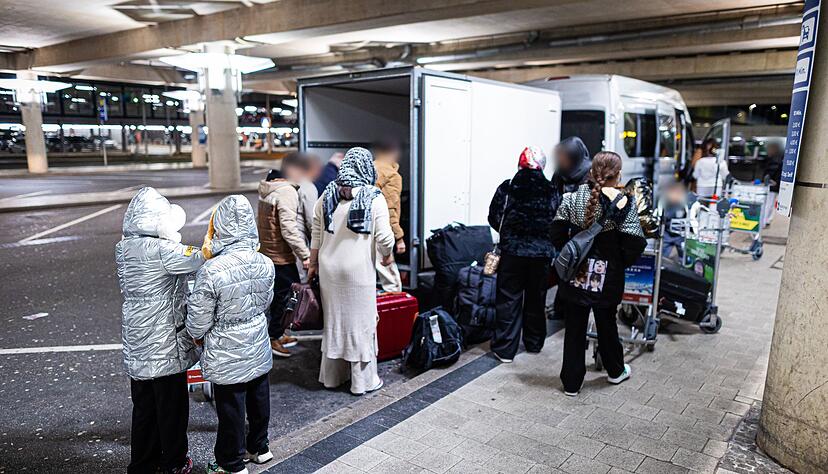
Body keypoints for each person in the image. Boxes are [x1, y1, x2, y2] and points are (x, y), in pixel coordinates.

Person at [115, 187, 205, 474]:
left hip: (138, 341)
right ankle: (175, 462)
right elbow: (198, 257)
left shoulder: (124, 248)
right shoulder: (162, 250)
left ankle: (142, 464)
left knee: (144, 408)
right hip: (165, 343)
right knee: (171, 409)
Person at [187, 195, 276, 474]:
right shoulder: (264, 262)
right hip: (257, 338)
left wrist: (196, 334)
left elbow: (199, 317)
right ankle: (259, 447)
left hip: (226, 346)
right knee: (258, 395)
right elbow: (267, 301)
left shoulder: (212, 270)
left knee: (231, 406)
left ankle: (230, 463)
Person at [551, 151, 646, 396]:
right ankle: (615, 371)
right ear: (618, 175)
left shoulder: (572, 198)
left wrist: (572, 251)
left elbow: (556, 232)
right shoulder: (624, 203)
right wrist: (618, 262)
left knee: (574, 327)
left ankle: (571, 383)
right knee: (607, 325)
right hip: (608, 278)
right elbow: (635, 242)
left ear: (592, 172)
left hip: (576, 274)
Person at [308, 147, 395, 395]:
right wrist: (387, 255)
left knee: (335, 322)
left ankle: (333, 377)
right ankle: (363, 382)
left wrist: (313, 264)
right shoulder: (372, 197)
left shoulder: (327, 195)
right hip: (357, 273)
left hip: (329, 270)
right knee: (360, 324)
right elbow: (385, 237)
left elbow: (316, 233)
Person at [487, 146, 557, 363]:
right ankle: (534, 343)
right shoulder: (551, 189)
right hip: (541, 254)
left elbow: (494, 217)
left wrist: (510, 233)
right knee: (537, 298)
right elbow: (557, 221)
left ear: (520, 164)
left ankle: (505, 350)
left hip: (513, 252)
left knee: (508, 299)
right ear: (542, 166)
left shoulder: (508, 187)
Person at [257, 154, 312, 358]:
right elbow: (289, 229)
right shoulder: (286, 191)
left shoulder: (267, 188)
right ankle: (274, 337)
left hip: (268, 253)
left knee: (277, 297)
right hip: (280, 256)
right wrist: (305, 255)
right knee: (287, 297)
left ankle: (278, 334)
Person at [548, 137, 592, 319]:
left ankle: (570, 310)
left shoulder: (589, 173)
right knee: (564, 267)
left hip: (581, 230)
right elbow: (553, 195)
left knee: (577, 270)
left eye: (566, 157)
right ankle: (561, 308)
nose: (562, 161)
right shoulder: (560, 173)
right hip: (561, 228)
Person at [373, 139, 405, 292]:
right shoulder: (391, 175)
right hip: (379, 229)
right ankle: (397, 304)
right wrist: (399, 238)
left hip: (360, 229)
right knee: (391, 282)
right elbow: (390, 209)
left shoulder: (370, 168)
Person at [662, 181, 688, 260]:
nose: (675, 196)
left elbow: (690, 216)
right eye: (673, 193)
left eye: (679, 193)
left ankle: (683, 262)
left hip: (680, 234)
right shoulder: (664, 204)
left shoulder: (684, 205)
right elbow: (659, 215)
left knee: (684, 252)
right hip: (667, 234)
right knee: (663, 251)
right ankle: (662, 262)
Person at [764, 140, 784, 225]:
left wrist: (769, 179)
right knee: (771, 203)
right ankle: (768, 219)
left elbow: (771, 171)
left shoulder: (775, 159)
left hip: (772, 184)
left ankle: (764, 220)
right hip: (775, 184)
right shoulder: (779, 157)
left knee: (768, 203)